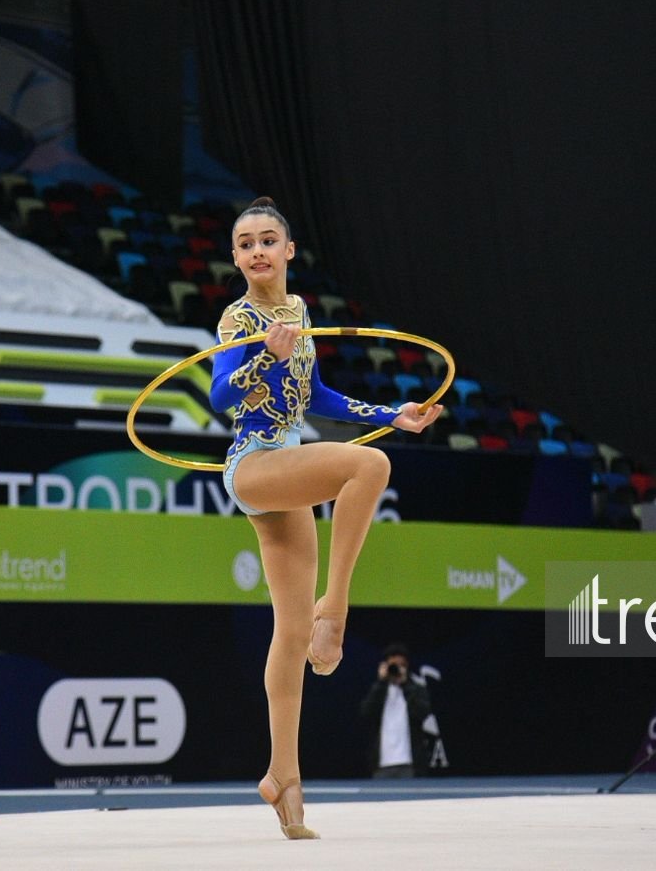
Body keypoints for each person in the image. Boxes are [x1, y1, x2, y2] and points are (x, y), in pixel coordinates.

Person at [211, 197, 441, 839]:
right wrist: (266, 355)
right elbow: (219, 393)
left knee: (287, 634)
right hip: (254, 463)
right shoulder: (241, 317)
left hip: (288, 468)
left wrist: (390, 415)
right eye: (245, 243)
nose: (257, 251)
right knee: (369, 471)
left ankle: (284, 778)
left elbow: (318, 397)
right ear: (236, 257)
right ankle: (334, 609)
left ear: (288, 251)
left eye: (267, 240)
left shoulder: (300, 313)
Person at [359, 643, 434, 778]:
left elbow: (422, 712)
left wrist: (405, 684)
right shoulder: (379, 690)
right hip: (382, 764)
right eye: (393, 666)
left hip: (410, 764)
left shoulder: (416, 689)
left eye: (401, 665)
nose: (396, 669)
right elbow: (366, 712)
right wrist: (381, 682)